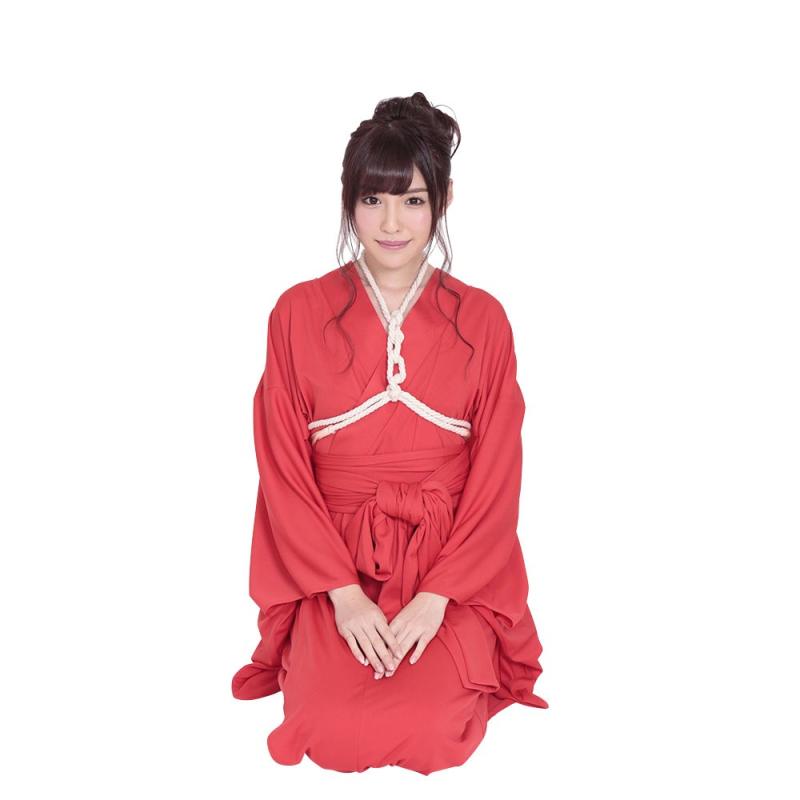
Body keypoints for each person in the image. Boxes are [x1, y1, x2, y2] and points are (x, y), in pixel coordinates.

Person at [230, 92, 548, 775]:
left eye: (412, 200)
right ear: (349, 201)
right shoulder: (295, 312)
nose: (392, 222)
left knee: (433, 726)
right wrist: (343, 596)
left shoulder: (485, 319)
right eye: (373, 200)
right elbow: (282, 469)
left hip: (449, 564)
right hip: (333, 563)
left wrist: (437, 597)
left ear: (443, 200)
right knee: (325, 726)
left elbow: (498, 475)